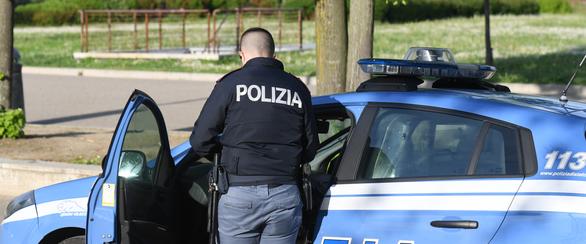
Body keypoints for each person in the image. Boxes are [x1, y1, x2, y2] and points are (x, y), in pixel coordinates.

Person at [189, 27, 319, 244]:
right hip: (285, 195)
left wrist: (224, 154)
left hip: (239, 194)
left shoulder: (230, 84)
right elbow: (311, 147)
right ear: (274, 55)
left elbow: (200, 140)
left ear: (242, 54)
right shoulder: (297, 89)